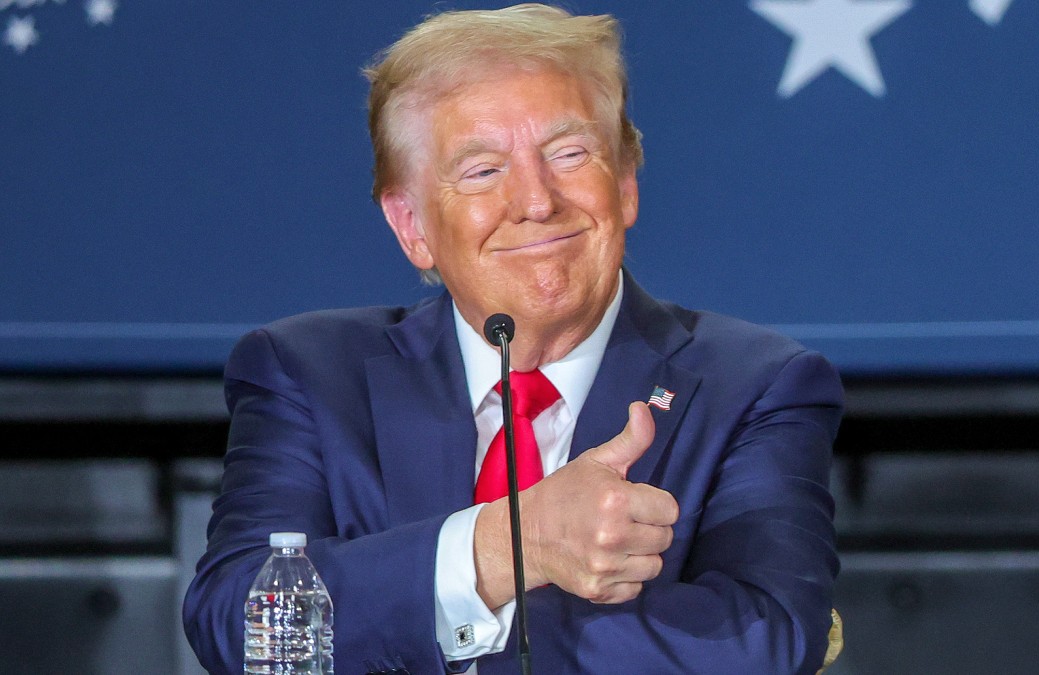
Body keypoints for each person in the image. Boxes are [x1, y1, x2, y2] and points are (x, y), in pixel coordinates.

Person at [183, 4, 842, 674]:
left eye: (569, 154)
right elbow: (241, 619)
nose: (535, 200)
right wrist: (506, 545)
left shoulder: (753, 384)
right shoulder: (310, 373)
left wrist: (437, 615)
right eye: (482, 169)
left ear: (625, 181)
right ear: (410, 224)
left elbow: (769, 639)